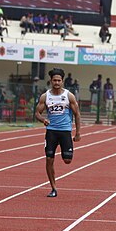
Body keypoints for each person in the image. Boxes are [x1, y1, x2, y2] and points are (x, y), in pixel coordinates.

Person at [34, 68, 81, 198]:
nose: (56, 82)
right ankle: (53, 188)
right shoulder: (45, 96)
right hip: (51, 132)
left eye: (59, 80)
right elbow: (37, 113)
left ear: (62, 81)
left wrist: (78, 133)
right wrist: (43, 120)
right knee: (49, 159)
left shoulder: (68, 96)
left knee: (67, 160)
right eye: (54, 80)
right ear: (51, 81)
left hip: (65, 131)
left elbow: (77, 114)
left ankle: (66, 152)